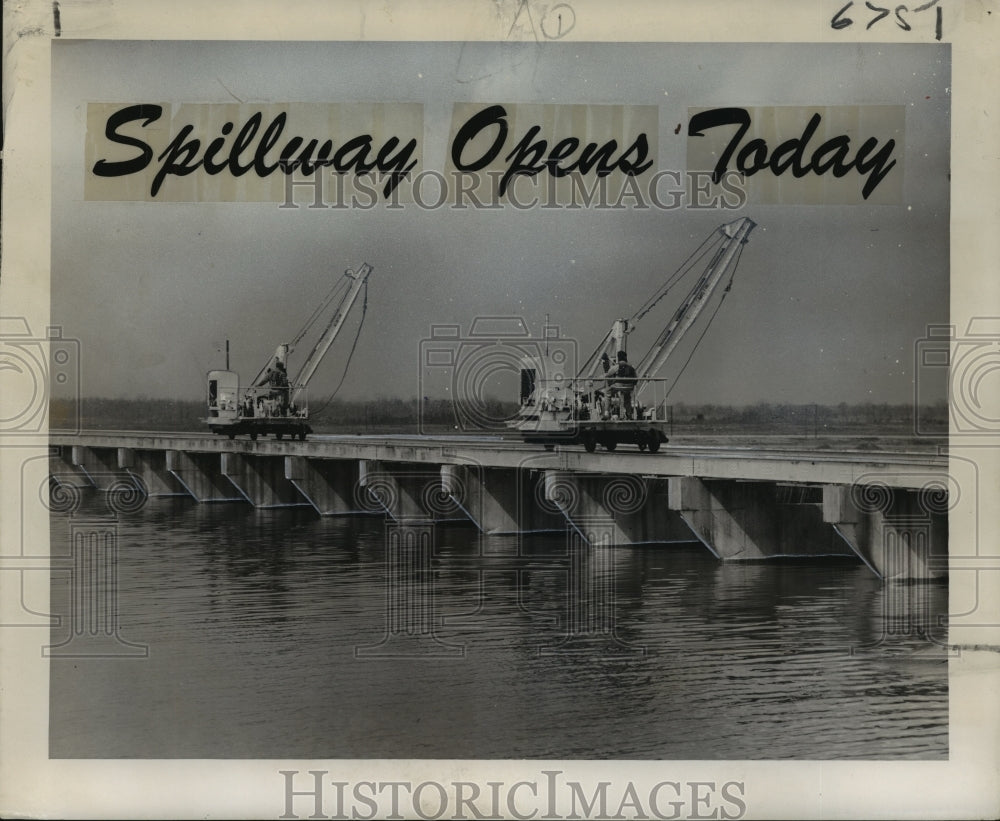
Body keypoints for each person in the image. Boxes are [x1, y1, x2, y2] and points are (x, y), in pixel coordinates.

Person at [602, 350, 637, 419]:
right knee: (627, 397)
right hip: (629, 387)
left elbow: (608, 374)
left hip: (618, 385)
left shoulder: (617, 367)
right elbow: (636, 378)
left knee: (608, 393)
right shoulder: (632, 367)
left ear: (619, 358)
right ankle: (629, 414)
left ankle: (606, 412)